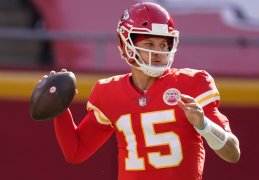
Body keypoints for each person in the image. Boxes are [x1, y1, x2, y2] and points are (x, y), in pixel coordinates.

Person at [50, 2, 240, 180]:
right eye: (149, 44)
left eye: (163, 44)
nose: (158, 51)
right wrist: (59, 109)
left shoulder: (192, 84)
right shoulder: (108, 92)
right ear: (127, 44)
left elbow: (233, 152)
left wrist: (203, 125)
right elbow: (76, 152)